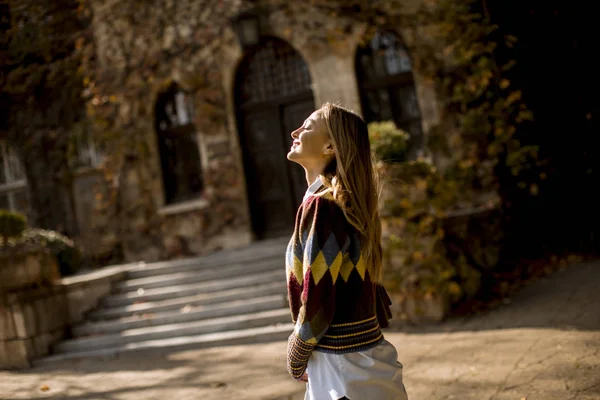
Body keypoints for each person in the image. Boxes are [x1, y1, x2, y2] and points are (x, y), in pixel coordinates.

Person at [285, 102, 409, 400]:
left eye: (308, 126)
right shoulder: (343, 204)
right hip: (360, 357)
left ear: (330, 146)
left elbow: (319, 293)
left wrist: (296, 353)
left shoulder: (323, 205)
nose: (296, 131)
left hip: (341, 369)